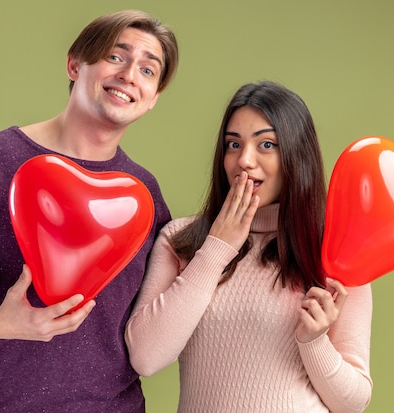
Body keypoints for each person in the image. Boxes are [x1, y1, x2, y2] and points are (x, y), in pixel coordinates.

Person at [0, 10, 178, 412]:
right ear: (75, 64)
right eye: (116, 56)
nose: (129, 74)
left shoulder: (143, 195)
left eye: (148, 70)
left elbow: (164, 308)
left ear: (153, 98)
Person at [125, 81, 373, 412]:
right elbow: (146, 356)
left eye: (266, 144)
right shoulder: (179, 240)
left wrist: (314, 342)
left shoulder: (335, 253)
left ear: (296, 155)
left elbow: (353, 403)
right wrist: (215, 248)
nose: (244, 160)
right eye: (233, 144)